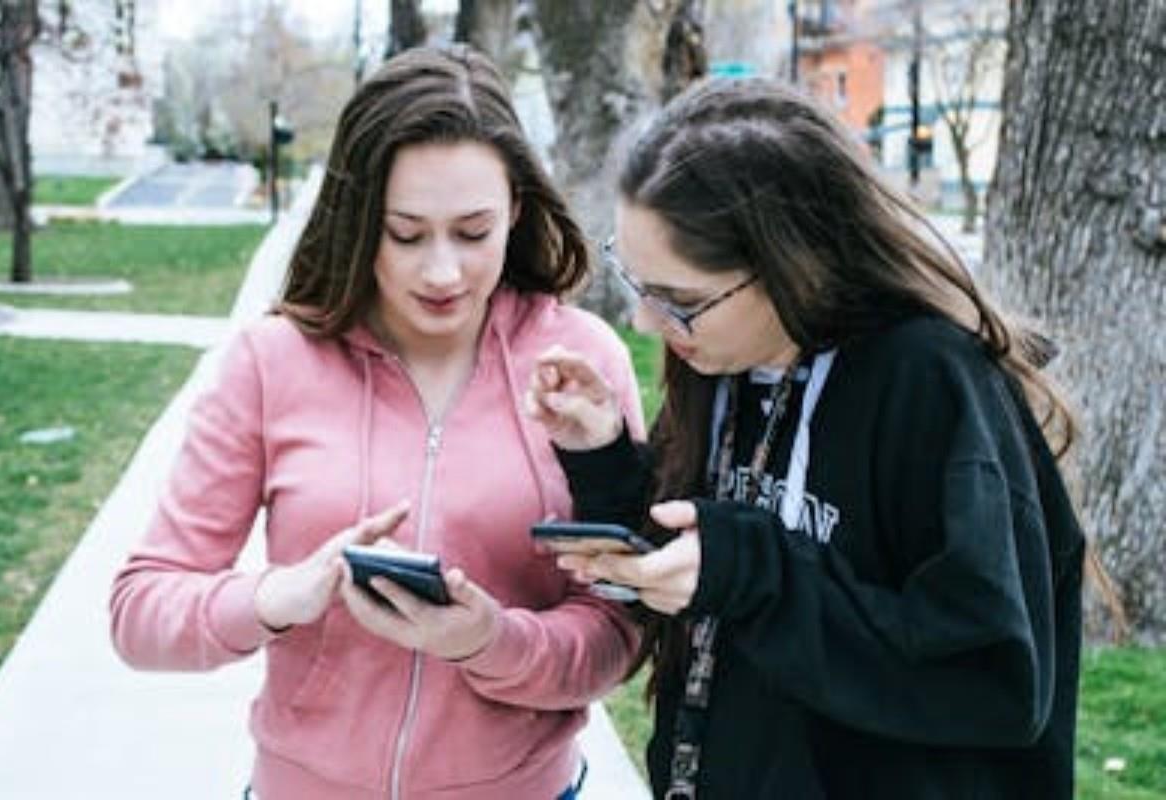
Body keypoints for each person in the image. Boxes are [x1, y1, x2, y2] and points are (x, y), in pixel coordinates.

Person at [109, 45, 646, 800]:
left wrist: (491, 642)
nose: (441, 272)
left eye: (472, 231)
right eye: (405, 233)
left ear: (517, 210)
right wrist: (276, 599)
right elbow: (141, 611)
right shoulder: (271, 361)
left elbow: (621, 628)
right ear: (360, 219)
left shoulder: (583, 362)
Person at [527, 77, 1086, 799]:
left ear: (793, 262)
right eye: (637, 282)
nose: (646, 323)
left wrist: (756, 571)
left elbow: (992, 676)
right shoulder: (722, 359)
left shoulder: (930, 380)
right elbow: (704, 562)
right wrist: (604, 459)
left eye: (681, 300)